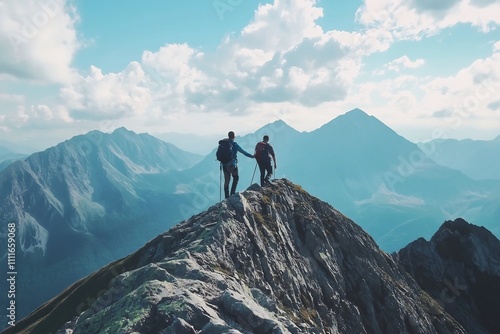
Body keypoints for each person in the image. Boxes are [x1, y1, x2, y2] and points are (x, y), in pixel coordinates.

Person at [220, 131, 254, 199]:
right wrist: (252, 156)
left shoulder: (223, 144)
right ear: (233, 137)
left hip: (224, 165)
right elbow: (243, 152)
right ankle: (232, 193)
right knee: (236, 178)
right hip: (232, 165)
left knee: (227, 180)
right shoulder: (234, 144)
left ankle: (226, 197)